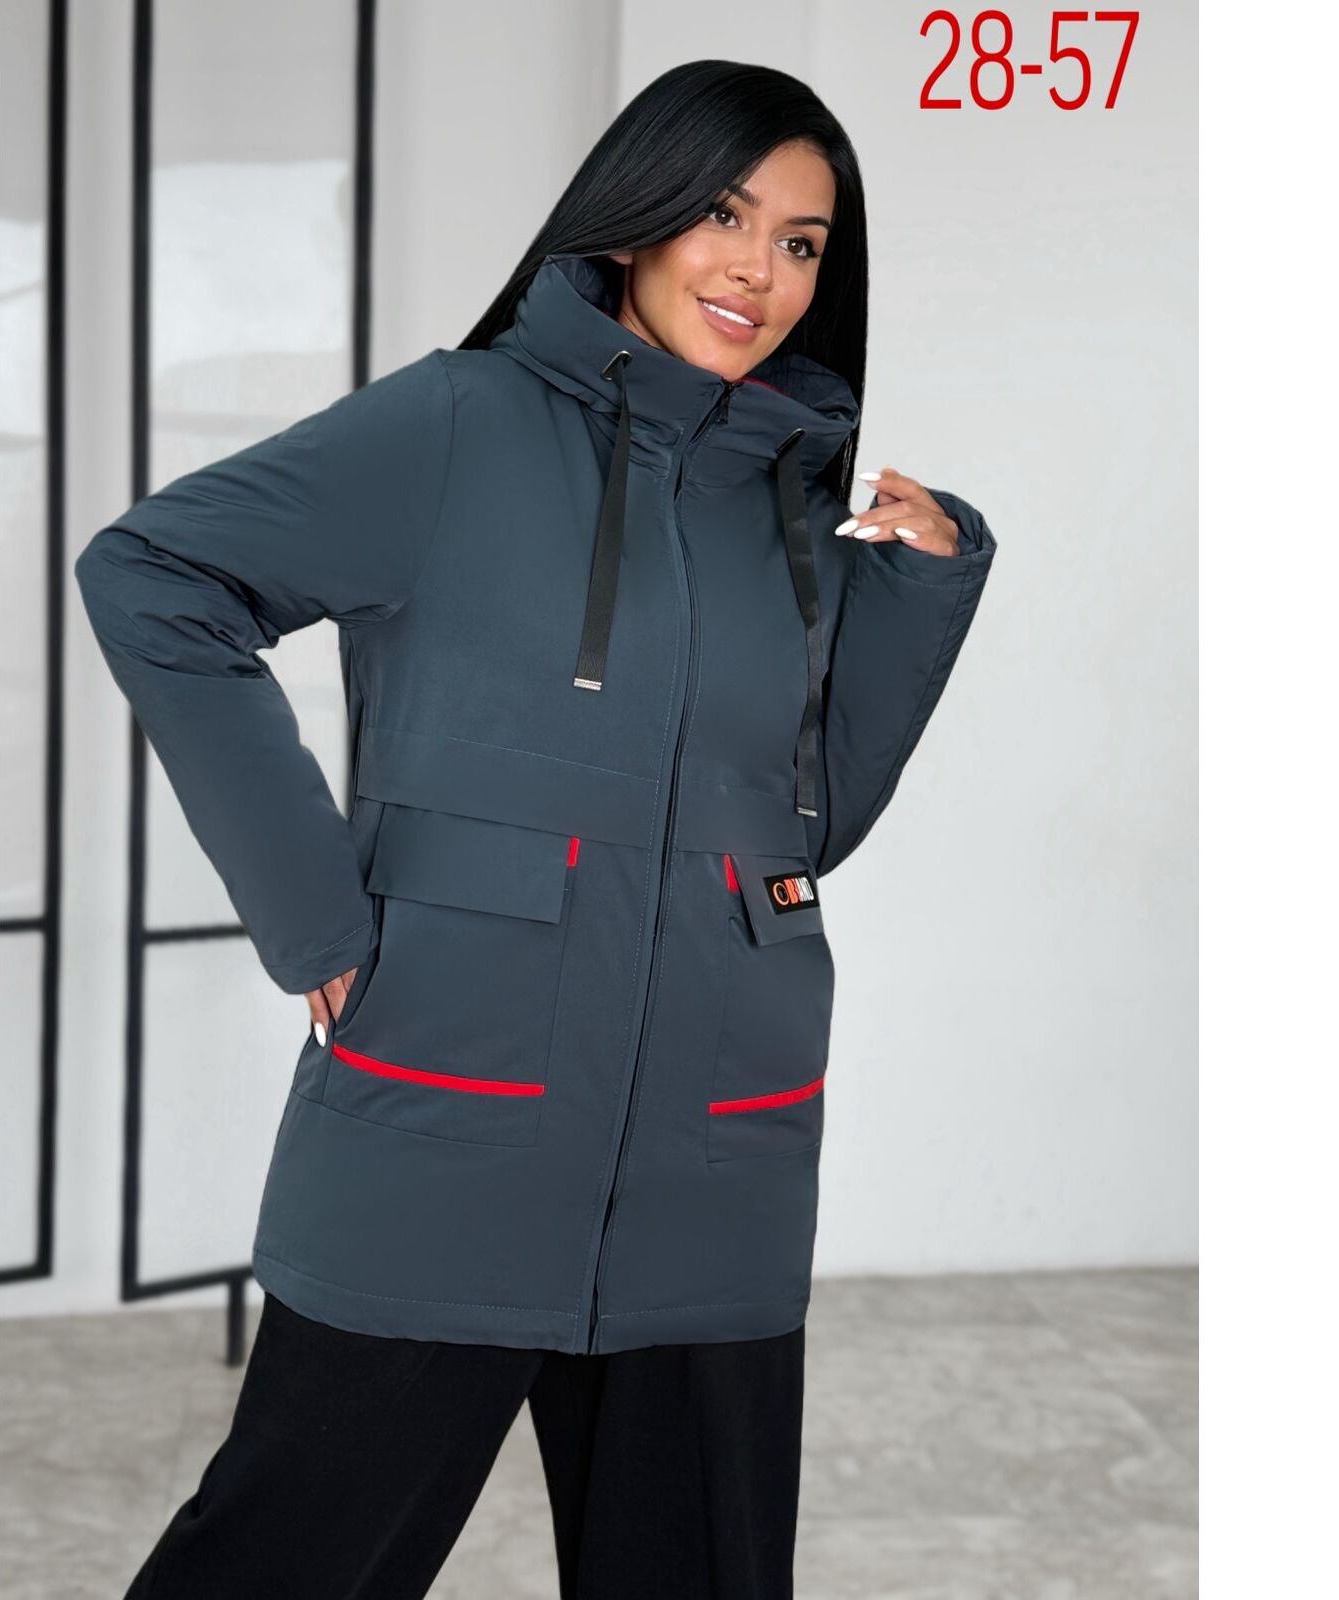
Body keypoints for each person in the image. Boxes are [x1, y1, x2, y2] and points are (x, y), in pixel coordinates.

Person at [76, 57, 997, 1600]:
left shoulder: (787, 499)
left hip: (718, 1145)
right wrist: (309, 905)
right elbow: (154, 577)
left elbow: (806, 822)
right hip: (454, 1113)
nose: (759, 271)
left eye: (801, 242)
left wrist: (919, 593)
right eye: (723, 215)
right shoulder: (458, 422)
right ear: (636, 215)